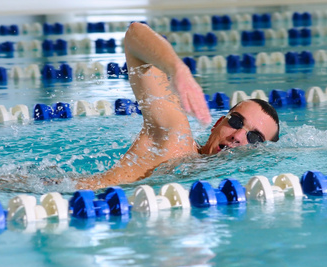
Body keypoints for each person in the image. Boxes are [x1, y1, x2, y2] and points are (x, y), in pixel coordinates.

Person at [76, 22, 280, 190]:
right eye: (236, 121)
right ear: (218, 122)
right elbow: (134, 34)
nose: (237, 136)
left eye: (254, 138)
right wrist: (177, 69)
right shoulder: (175, 141)